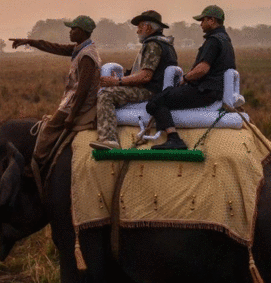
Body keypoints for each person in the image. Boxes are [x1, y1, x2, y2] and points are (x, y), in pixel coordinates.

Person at [10, 15, 101, 181]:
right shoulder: (80, 49)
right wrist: (30, 42)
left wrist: (72, 114)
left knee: (49, 129)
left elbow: (83, 90)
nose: (70, 32)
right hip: (72, 100)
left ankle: (36, 166)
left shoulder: (87, 55)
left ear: (81, 32)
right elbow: (55, 47)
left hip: (79, 104)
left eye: (73, 29)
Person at [146, 5, 236, 150]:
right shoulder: (225, 39)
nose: (201, 24)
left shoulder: (213, 41)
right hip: (215, 90)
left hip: (204, 90)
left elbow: (203, 69)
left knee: (156, 101)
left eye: (203, 20)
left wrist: (186, 79)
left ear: (212, 20)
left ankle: (173, 138)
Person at [90, 10, 177, 150]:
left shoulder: (153, 45)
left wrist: (117, 81)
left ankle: (109, 140)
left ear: (148, 28)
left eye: (140, 27)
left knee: (106, 95)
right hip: (160, 89)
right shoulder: (166, 44)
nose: (137, 31)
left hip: (150, 90)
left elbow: (145, 76)